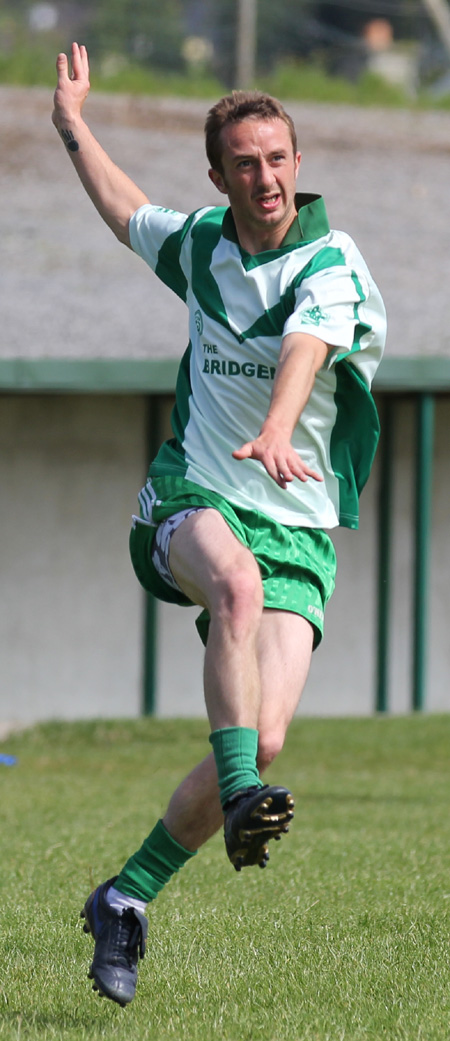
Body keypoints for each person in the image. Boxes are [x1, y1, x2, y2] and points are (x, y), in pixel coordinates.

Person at [52, 42, 386, 1008]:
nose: (266, 176)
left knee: (264, 735)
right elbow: (124, 211)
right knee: (232, 587)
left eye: (278, 157)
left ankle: (127, 894)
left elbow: (307, 343)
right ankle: (239, 798)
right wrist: (74, 123)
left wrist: (282, 428)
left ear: (297, 160)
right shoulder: (201, 244)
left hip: (299, 524)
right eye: (245, 162)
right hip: (192, 494)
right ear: (220, 176)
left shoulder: (333, 259)